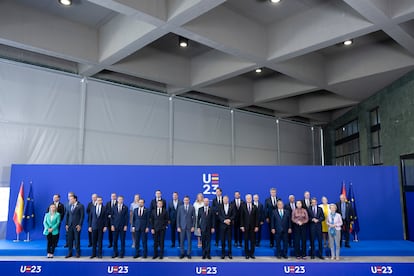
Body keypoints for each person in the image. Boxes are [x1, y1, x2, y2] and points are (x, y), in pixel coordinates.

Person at [240, 194, 259, 259]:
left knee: (253, 240)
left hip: (253, 227)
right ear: (246, 199)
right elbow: (241, 217)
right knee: (246, 240)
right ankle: (247, 254)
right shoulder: (243, 206)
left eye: (250, 198)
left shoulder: (255, 206)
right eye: (247, 198)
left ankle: (252, 253)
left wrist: (256, 226)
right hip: (245, 227)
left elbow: (257, 218)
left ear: (251, 199)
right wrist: (242, 226)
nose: (249, 199)